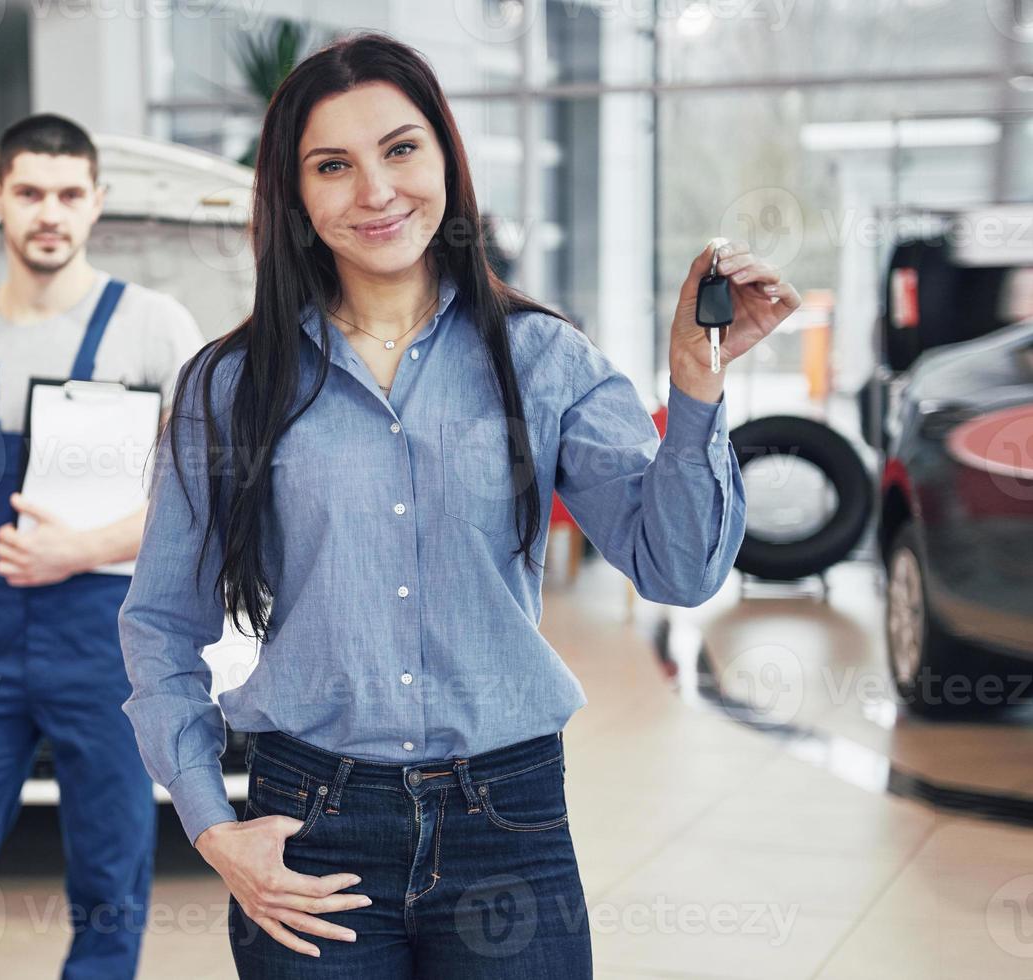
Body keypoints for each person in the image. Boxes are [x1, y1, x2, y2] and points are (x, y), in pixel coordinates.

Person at [118, 33, 798, 977]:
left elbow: (678, 568)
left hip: (506, 824)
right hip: (309, 829)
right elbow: (158, 623)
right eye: (332, 166)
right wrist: (208, 822)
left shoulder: (544, 360)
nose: (376, 191)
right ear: (294, 197)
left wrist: (695, 383)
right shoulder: (230, 386)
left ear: (445, 157)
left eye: (401, 149)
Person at [0, 113, 207, 979]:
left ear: (97, 202)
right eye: (28, 192)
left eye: (67, 194)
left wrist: (83, 547)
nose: (48, 213)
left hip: (105, 639)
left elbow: (205, 497)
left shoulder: (156, 328)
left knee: (111, 869)